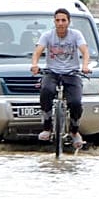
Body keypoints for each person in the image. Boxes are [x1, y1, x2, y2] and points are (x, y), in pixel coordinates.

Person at [30, 8, 90, 148]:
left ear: (69, 22)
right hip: (52, 72)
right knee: (46, 91)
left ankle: (74, 131)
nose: (60, 23)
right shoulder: (47, 35)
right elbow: (37, 51)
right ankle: (47, 127)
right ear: (54, 22)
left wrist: (85, 65)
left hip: (72, 73)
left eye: (63, 20)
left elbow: (85, 51)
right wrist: (34, 65)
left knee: (75, 102)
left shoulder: (76, 35)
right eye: (57, 20)